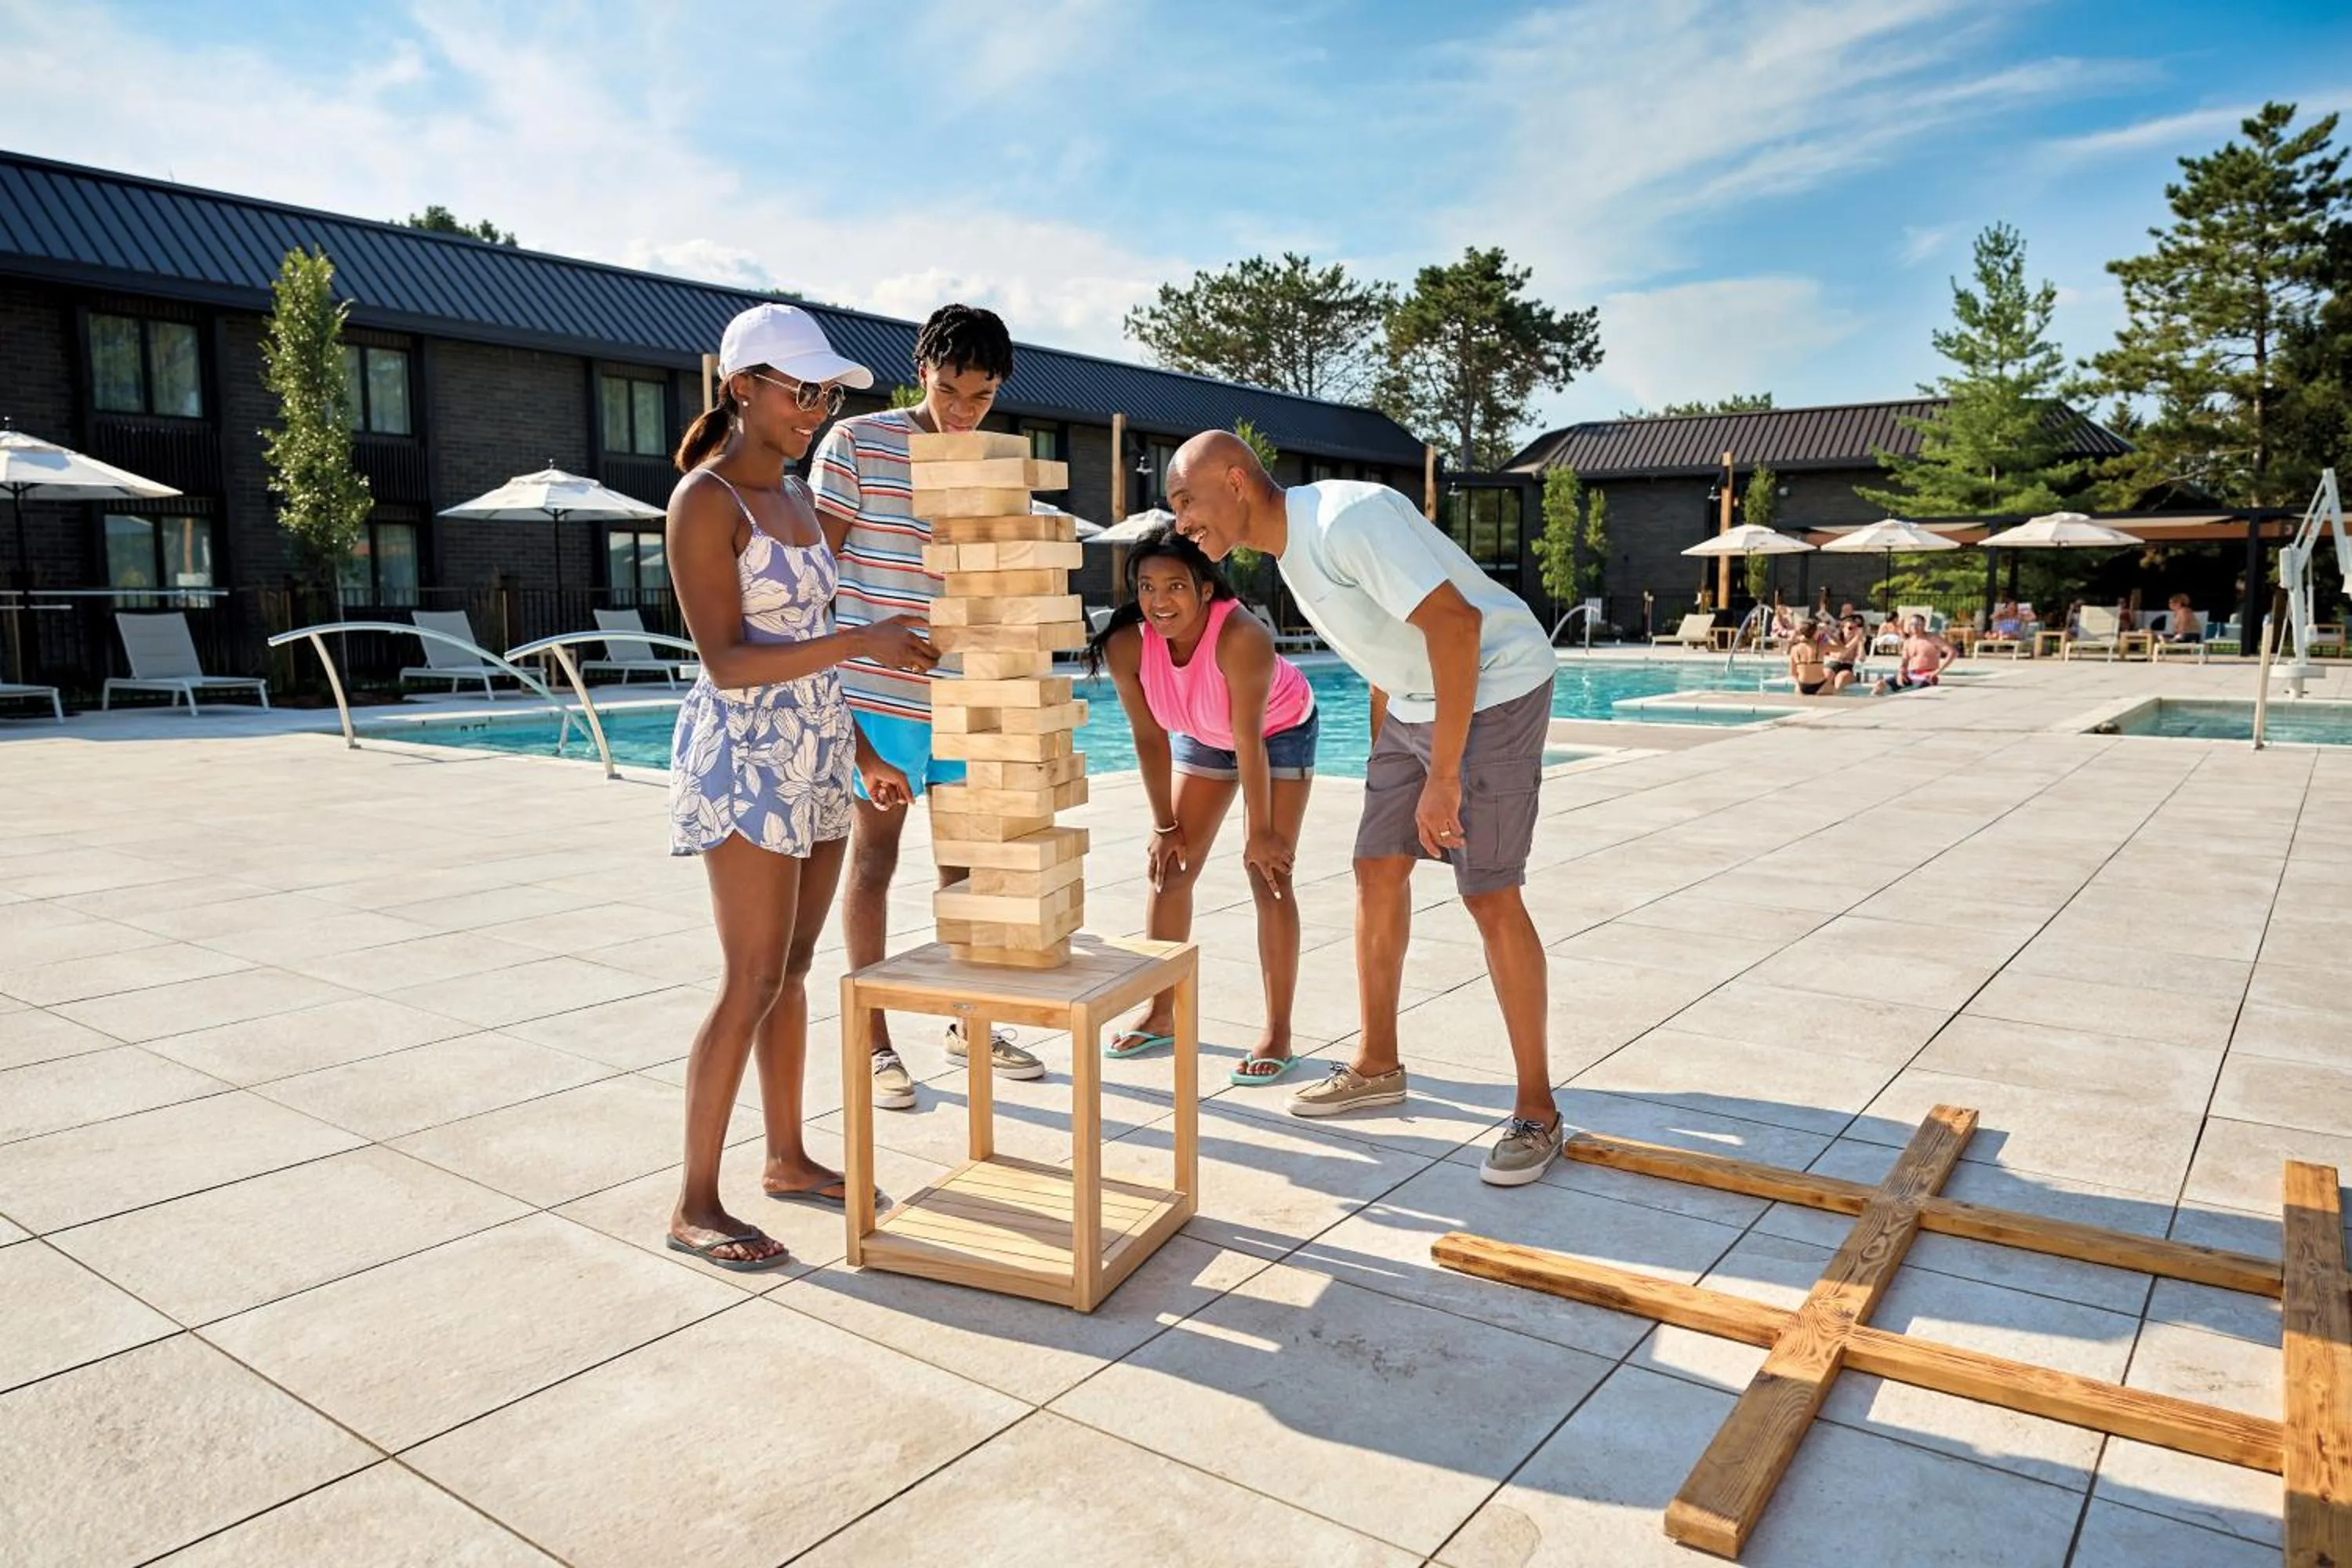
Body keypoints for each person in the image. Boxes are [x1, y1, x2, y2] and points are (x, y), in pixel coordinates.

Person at [1164, 431, 1563, 1186]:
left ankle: (1537, 1109)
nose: (1181, 522)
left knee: (1488, 893)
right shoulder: (1293, 552)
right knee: (1376, 867)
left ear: (1235, 479)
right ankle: (1378, 1063)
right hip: (1416, 703)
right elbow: (1389, 646)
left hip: (1497, 688)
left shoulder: (1345, 519)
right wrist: (1395, 758)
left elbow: (1458, 625)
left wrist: (1441, 776)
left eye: (1187, 501)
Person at [662, 304, 938, 1272]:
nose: (819, 407)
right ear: (742, 387)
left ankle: (785, 1156)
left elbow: (809, 655)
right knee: (749, 975)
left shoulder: (793, 495)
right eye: (802, 389)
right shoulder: (707, 502)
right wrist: (866, 640)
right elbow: (731, 661)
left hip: (820, 748)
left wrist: (862, 747)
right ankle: (694, 1199)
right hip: (746, 755)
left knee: (794, 969)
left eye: (827, 392)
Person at [812, 304, 1045, 1109]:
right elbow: (813, 575)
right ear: (922, 369)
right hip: (877, 698)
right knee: (874, 862)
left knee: (968, 869)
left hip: (966, 694)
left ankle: (967, 1020)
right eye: (949, 389)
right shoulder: (857, 444)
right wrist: (866, 643)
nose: (961, 410)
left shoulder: (992, 462)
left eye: (980, 397)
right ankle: (872, 1039)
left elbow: (1001, 583)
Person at [1083, 524, 1318, 1083]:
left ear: (1205, 589)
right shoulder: (1126, 644)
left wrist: (1261, 833)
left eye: (1175, 587)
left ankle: (1278, 1031)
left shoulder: (1242, 637)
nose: (1160, 601)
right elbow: (1148, 737)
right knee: (1169, 868)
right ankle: (1161, 1011)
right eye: (1146, 587)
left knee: (1269, 874)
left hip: (1278, 730)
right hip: (1203, 732)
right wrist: (1164, 824)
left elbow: (1250, 740)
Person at [1875, 615, 1954, 692]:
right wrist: (1901, 672)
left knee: (1910, 692)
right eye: (1912, 624)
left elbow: (1953, 652)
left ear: (1924, 625)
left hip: (1925, 676)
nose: (1915, 627)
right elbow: (1904, 663)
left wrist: (1937, 672)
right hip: (1910, 675)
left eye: (1918, 624)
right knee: (1880, 685)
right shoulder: (1908, 642)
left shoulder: (1933, 638)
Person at [1824, 614, 1868, 691]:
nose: (1853, 631)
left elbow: (1862, 659)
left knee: (1841, 678)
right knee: (1827, 676)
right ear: (1843, 629)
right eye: (1850, 628)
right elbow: (1840, 655)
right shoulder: (1836, 639)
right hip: (1833, 664)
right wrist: (1856, 640)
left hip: (1847, 667)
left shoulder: (1857, 641)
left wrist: (1860, 643)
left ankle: (1836, 697)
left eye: (1856, 628)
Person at [1786, 619, 1830, 696]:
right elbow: (1843, 649)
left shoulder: (1795, 649)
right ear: (1815, 632)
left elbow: (1792, 673)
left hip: (1802, 684)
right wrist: (1830, 633)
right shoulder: (1821, 646)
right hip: (1820, 685)